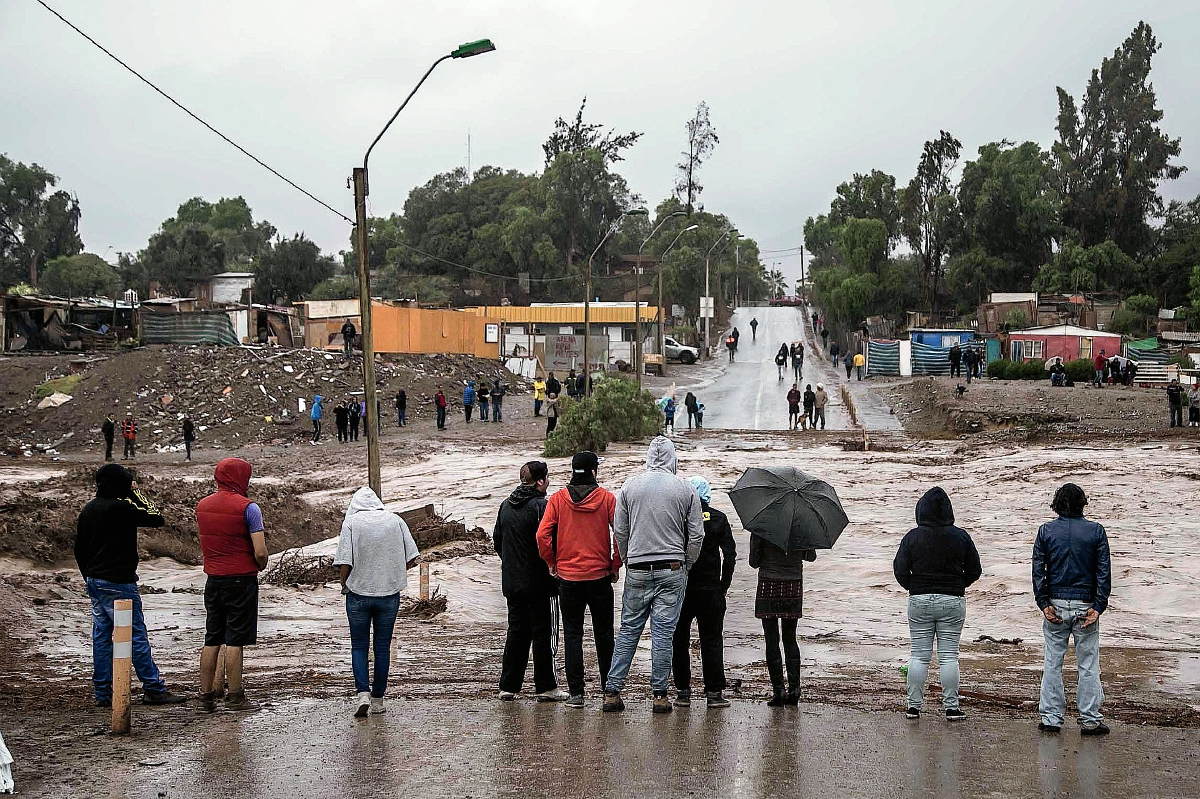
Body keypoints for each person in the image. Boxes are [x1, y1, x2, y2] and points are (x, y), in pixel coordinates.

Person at [604, 437, 704, 714]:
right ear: (673, 458)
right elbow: (696, 535)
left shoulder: (629, 486)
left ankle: (612, 691)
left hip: (636, 567)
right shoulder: (685, 489)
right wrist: (688, 563)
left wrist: (627, 558)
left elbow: (620, 531)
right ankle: (660, 695)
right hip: (672, 568)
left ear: (648, 458)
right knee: (663, 634)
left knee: (629, 630)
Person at [75, 464, 185, 708]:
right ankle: (153, 688)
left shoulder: (88, 510)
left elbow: (79, 549)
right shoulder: (122, 508)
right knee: (135, 635)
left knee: (102, 637)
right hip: (120, 582)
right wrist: (135, 493)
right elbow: (156, 517)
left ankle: (103, 693)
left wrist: (89, 577)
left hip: (95, 581)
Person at [537, 451, 619, 708]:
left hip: (568, 579)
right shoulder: (607, 499)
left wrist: (552, 563)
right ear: (594, 472)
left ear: (573, 470)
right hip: (600, 577)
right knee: (604, 635)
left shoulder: (558, 499)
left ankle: (576, 694)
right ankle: (609, 690)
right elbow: (622, 534)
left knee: (573, 635)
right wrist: (615, 563)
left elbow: (542, 536)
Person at [893, 487, 982, 721]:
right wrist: (957, 584)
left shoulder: (912, 537)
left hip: (919, 599)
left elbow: (899, 570)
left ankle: (913, 707)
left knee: (919, 655)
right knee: (949, 657)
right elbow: (975, 570)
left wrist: (914, 586)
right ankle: (951, 708)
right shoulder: (961, 536)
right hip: (952, 600)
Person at [335, 486, 420, 717]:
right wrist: (392, 572)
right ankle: (378, 700)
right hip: (389, 595)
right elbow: (413, 557)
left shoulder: (352, 523)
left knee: (359, 646)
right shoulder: (396, 521)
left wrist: (344, 584)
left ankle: (362, 693)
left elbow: (344, 561)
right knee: (382, 647)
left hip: (358, 595)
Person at [1033, 483, 1111, 736]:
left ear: (1056, 504)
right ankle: (1089, 719)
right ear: (1082, 503)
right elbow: (1103, 573)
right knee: (1088, 664)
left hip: (1055, 602)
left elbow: (1038, 571)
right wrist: (1098, 606)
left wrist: (1044, 603)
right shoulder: (1096, 531)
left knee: (1052, 662)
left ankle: (1051, 718)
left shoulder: (1045, 531)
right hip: (1085, 604)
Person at [196, 458, 269, 712]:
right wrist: (261, 565)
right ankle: (235, 696)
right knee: (235, 638)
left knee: (212, 637)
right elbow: (260, 551)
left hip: (213, 579)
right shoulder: (249, 508)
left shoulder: (202, 506)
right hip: (241, 580)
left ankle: (205, 697)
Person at [494, 461, 566, 703]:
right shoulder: (542, 507)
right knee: (543, 634)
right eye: (547, 478)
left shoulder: (505, 505)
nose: (549, 482)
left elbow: (497, 541)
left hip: (512, 583)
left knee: (516, 632)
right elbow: (552, 541)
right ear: (540, 481)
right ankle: (546, 687)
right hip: (539, 584)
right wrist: (553, 568)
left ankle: (508, 686)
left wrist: (512, 564)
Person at [673, 476, 735, 709]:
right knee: (712, 639)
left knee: (679, 640)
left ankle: (682, 692)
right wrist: (723, 585)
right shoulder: (719, 518)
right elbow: (730, 555)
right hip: (711, 589)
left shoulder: (679, 519)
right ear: (707, 494)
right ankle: (714, 693)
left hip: (683, 589)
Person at [750, 532, 815, 706]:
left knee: (771, 639)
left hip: (768, 583)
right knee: (790, 638)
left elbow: (753, 562)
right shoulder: (802, 524)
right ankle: (794, 689)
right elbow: (811, 556)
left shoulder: (761, 525)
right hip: (793, 583)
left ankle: (778, 690)